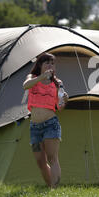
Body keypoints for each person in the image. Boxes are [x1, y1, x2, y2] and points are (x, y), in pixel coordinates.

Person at [23, 53, 69, 188]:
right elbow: (25, 86)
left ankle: (54, 190)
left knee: (52, 158)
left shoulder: (57, 83)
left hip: (51, 125)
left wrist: (64, 100)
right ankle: (50, 187)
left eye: (52, 63)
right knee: (40, 162)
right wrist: (42, 77)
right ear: (40, 65)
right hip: (35, 127)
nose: (50, 65)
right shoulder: (32, 78)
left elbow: (60, 107)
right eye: (47, 63)